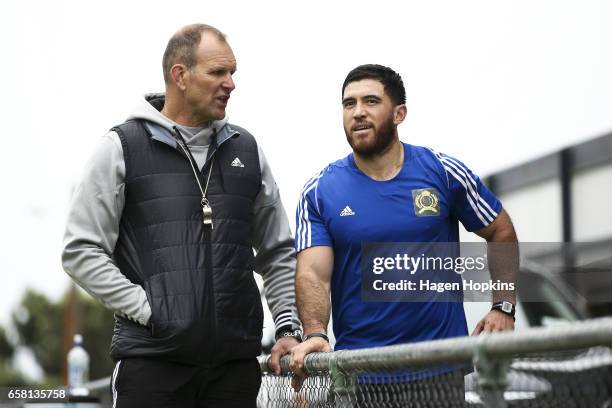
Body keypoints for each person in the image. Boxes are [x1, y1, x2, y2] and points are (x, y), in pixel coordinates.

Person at [61, 24, 301, 408]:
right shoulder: (121, 147)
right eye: (218, 73)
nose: (230, 84)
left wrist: (288, 325)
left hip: (234, 368)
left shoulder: (247, 150)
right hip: (152, 365)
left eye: (233, 73)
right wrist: (150, 310)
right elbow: (81, 250)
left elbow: (277, 251)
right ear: (180, 75)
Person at [289, 64, 518, 391]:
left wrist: (503, 307)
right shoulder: (320, 190)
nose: (358, 112)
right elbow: (313, 273)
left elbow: (501, 231)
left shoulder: (441, 170)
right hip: (359, 374)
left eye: (370, 101)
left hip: (439, 368)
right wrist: (314, 333)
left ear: (399, 113)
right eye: (349, 103)